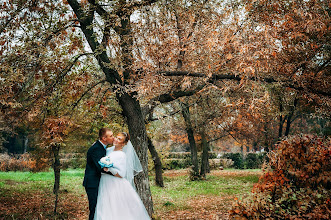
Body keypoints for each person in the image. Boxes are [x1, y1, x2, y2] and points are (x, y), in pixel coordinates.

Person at [94, 132, 150, 220]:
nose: (116, 139)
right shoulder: (108, 150)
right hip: (104, 182)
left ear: (123, 144)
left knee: (116, 208)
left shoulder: (122, 155)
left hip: (114, 184)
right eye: (116, 137)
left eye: (119, 139)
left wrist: (109, 169)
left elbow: (121, 174)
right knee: (105, 207)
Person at [83, 128, 114, 220]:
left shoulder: (102, 147)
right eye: (111, 136)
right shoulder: (96, 148)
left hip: (99, 182)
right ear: (104, 138)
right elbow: (100, 168)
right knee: (94, 209)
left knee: (100, 209)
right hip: (93, 183)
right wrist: (117, 174)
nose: (113, 137)